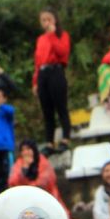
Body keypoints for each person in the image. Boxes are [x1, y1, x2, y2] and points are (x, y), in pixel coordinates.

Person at [32, 9, 72, 146]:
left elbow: (63, 52)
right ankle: (49, 141)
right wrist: (35, 82)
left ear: (54, 20)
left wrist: (52, 35)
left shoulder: (62, 35)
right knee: (46, 109)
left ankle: (66, 137)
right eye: (43, 20)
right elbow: (37, 62)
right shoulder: (40, 39)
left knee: (61, 106)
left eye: (49, 19)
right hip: (43, 74)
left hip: (56, 71)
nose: (46, 22)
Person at [8, 139, 62, 207]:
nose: (25, 152)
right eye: (23, 150)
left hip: (45, 197)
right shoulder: (19, 163)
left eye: (28, 149)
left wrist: (30, 186)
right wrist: (25, 169)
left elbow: (45, 182)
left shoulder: (42, 161)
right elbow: (12, 182)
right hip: (25, 198)